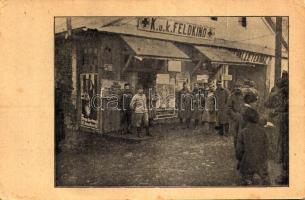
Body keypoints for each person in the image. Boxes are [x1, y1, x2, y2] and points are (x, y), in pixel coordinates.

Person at [265, 71, 288, 184]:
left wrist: (274, 112)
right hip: (282, 119)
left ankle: (276, 158)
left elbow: (267, 104)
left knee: (275, 138)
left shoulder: (276, 92)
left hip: (278, 119)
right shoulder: (285, 93)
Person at [236, 107, 270, 185]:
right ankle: (263, 178)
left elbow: (239, 151)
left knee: (245, 174)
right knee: (264, 175)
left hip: (247, 163)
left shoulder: (243, 132)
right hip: (261, 163)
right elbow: (266, 148)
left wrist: (239, 161)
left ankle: (248, 179)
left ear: (245, 119)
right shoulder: (263, 132)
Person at [227, 83, 244, 147]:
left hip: (244, 117)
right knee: (236, 134)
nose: (238, 88)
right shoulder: (231, 96)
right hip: (235, 118)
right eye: (236, 87)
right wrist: (234, 115)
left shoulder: (244, 96)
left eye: (239, 86)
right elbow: (228, 108)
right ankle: (237, 149)